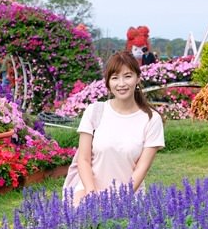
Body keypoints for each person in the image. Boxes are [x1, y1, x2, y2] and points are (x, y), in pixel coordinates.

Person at [63, 51, 165, 205]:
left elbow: (141, 169)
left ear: (138, 78)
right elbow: (83, 160)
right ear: (108, 82)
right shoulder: (94, 111)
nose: (121, 84)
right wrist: (92, 195)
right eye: (115, 78)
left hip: (128, 197)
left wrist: (119, 201)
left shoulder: (151, 119)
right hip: (89, 193)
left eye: (128, 76)